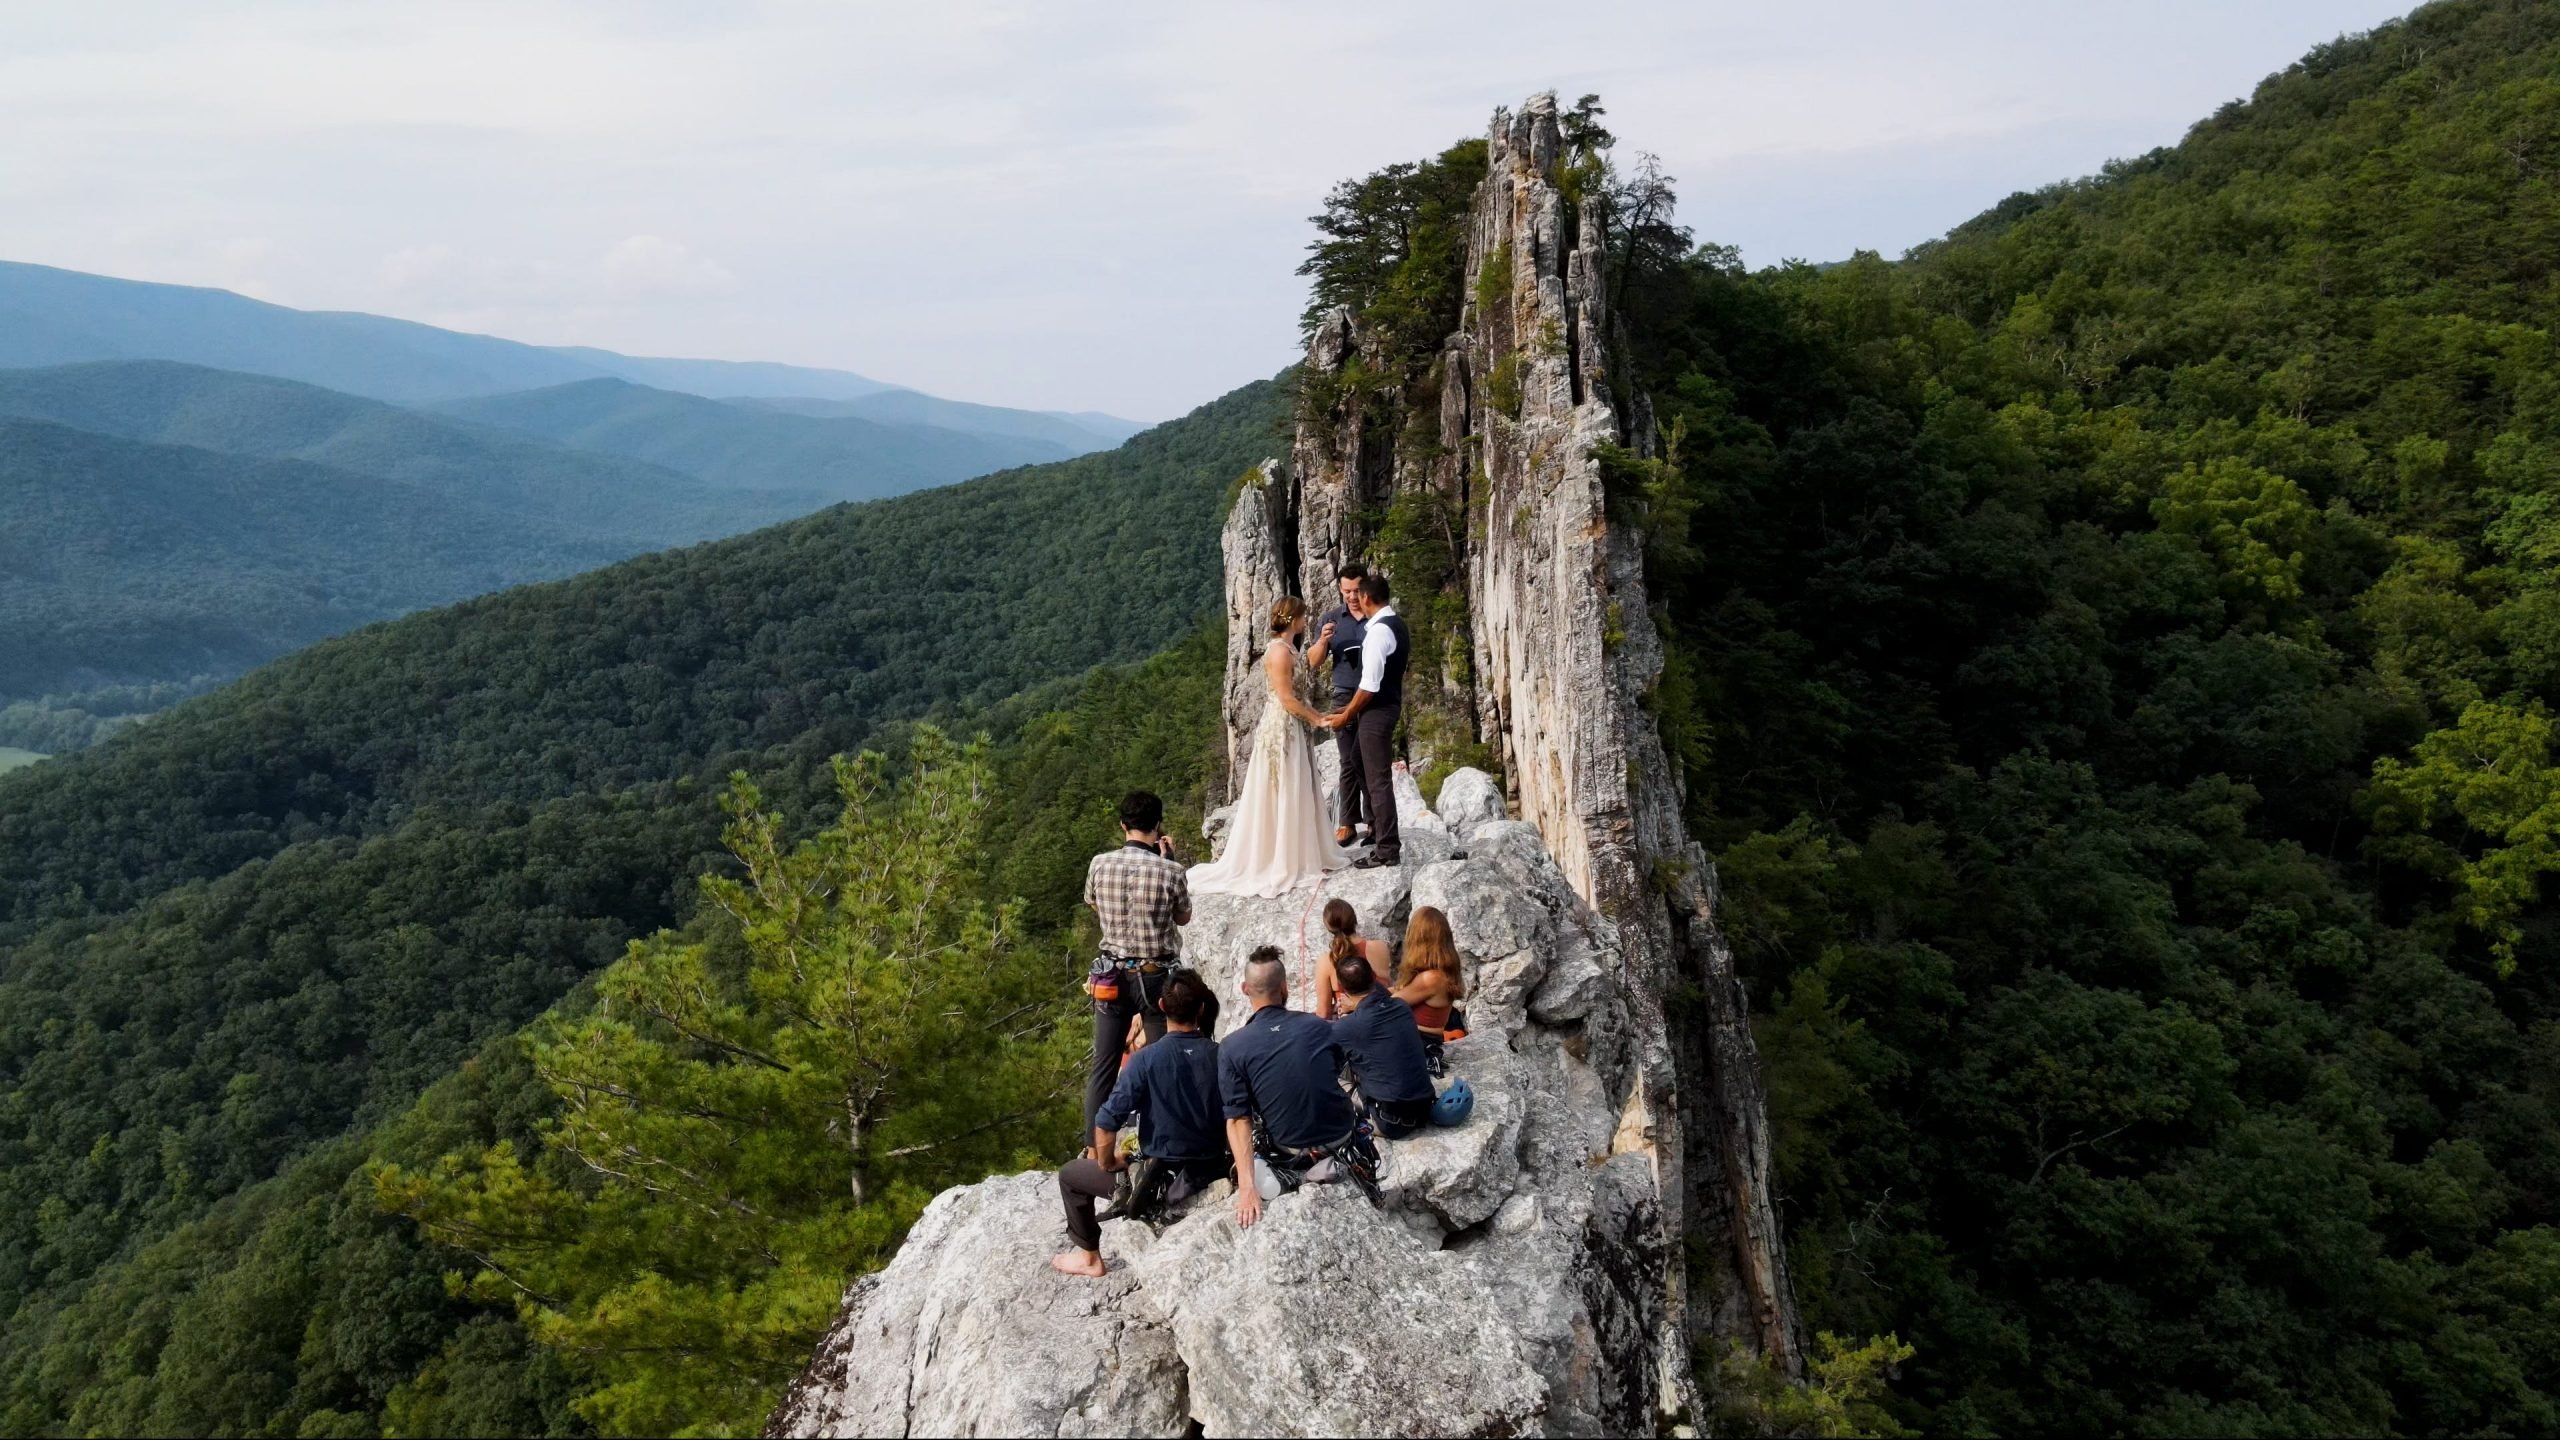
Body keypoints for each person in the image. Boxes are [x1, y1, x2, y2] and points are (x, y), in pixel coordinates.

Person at [1052, 971, 1227, 1278]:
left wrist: (1109, 1162)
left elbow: (1105, 1123)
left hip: (1162, 1178)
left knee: (1070, 1176)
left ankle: (1089, 1257)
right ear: (1202, 1008)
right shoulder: (1222, 1055)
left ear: (1160, 1005)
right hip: (1214, 1168)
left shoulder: (1146, 1059)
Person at [1188, 597, 1353, 897]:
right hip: (1282, 728)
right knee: (1284, 787)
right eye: (1303, 616)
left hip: (1292, 726)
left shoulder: (1289, 648)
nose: (1306, 620)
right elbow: (1286, 698)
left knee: (1296, 785)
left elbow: (1308, 665)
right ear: (1293, 619)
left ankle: (1299, 852)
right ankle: (1282, 858)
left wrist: (1322, 642)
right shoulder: (1278, 651)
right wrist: (1316, 718)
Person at [1219, 948, 1362, 1227]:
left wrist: (1246, 1188)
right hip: (1341, 1134)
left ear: (1245, 989)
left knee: (1249, 1117)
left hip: (1290, 1145)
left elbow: (1238, 1118)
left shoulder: (1232, 1047)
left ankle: (1290, 1176)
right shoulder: (1319, 1026)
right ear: (1284, 988)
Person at [1082, 790, 1190, 1135]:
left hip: (1110, 974)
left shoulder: (1099, 863)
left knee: (1104, 1064)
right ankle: (1161, 1139)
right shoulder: (1171, 871)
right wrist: (1169, 858)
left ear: (1122, 825)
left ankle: (1092, 1145)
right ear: (1158, 826)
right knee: (1160, 1062)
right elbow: (1183, 917)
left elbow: (1094, 903)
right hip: (1155, 975)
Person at [1322, 573, 1408, 869]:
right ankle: (1376, 829)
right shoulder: (1394, 623)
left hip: (1378, 710)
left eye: (1359, 594)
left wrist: (1345, 715)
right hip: (1385, 705)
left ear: (1368, 598)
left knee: (1377, 779)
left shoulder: (1379, 633)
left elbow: (1370, 684)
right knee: (1357, 760)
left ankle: (1387, 848)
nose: (1355, 598)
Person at [1327, 952, 1438, 1139]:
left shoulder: (1347, 1027)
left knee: (1328, 1072)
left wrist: (1351, 1007)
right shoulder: (1401, 1007)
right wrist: (1355, 1004)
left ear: (1342, 988)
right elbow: (1381, 996)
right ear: (1373, 976)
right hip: (1424, 1110)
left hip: (1389, 1121)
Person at [1305, 562, 1369, 847]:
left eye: (1356, 590)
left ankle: (1374, 820)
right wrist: (1322, 641)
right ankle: (1347, 822)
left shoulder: (1376, 615)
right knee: (1348, 760)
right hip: (1343, 694)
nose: (1352, 597)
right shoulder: (1331, 618)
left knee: (1371, 759)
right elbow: (1314, 661)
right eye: (1347, 591)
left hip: (1372, 693)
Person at [1394, 904, 1469, 1073]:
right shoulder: (1439, 973)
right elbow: (1398, 992)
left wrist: (1354, 1002)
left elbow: (1389, 1004)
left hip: (1418, 1043)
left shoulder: (1431, 978)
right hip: (1421, 1040)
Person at [1314, 897, 1393, 1021]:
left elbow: (1324, 1013)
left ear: (1328, 927)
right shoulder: (1381, 947)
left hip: (1353, 1027)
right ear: (1354, 919)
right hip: (1386, 1017)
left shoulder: (1327, 960)